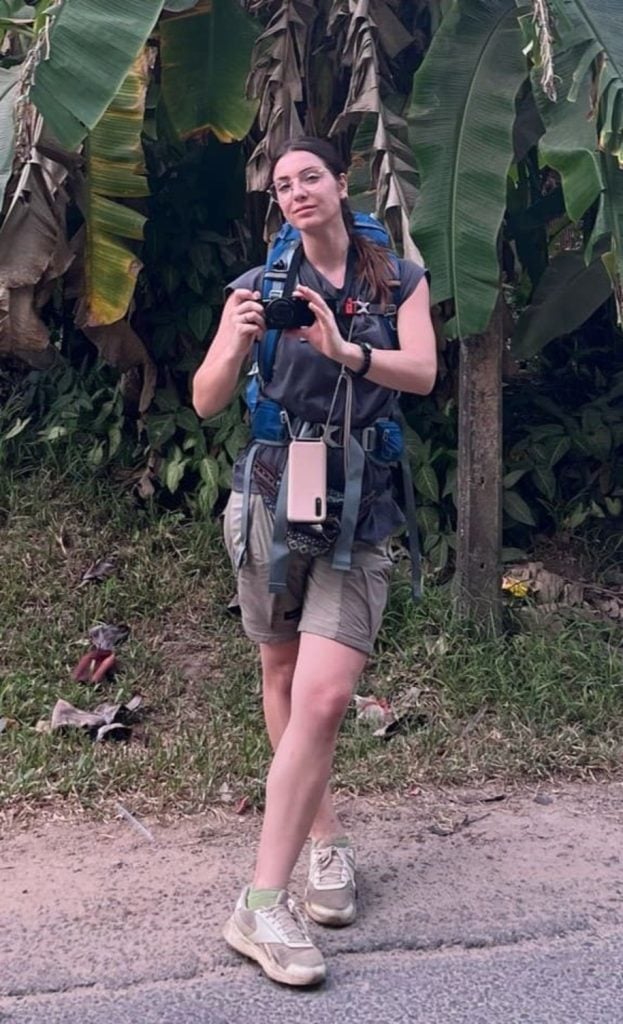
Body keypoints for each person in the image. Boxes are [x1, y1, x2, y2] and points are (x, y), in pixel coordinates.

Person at [192, 137, 437, 987]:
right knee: (283, 669)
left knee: (327, 693)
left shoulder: (397, 279)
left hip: (362, 494)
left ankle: (259, 904)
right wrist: (236, 338)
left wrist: (345, 351)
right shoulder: (257, 286)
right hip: (274, 482)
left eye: (310, 177)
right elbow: (207, 396)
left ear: (342, 184)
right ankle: (323, 840)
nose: (296, 191)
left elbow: (424, 373)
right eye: (283, 183)